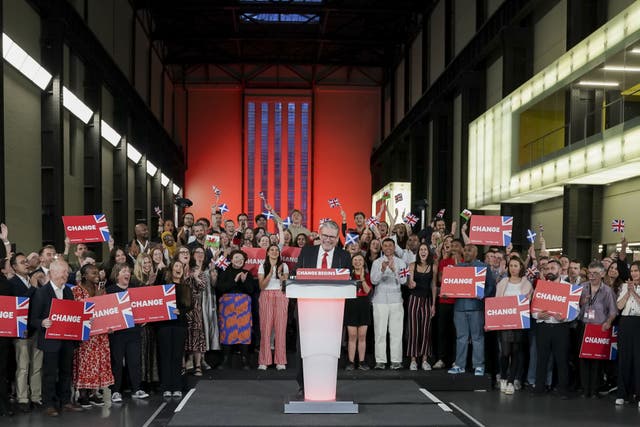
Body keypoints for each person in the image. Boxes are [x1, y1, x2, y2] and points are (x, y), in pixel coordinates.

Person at [294, 220, 351, 393]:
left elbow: (348, 282)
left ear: (336, 238)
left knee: (328, 346)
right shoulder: (307, 251)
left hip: (332, 312)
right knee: (305, 345)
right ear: (319, 234)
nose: (328, 240)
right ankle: (304, 384)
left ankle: (325, 383)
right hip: (307, 311)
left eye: (332, 237)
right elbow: (297, 274)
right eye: (325, 235)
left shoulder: (344, 256)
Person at [30, 259, 83, 416]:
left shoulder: (68, 292)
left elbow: (72, 314)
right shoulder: (41, 293)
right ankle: (48, 404)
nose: (66, 275)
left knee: (66, 372)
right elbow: (33, 320)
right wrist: (43, 322)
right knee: (50, 373)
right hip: (50, 341)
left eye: (67, 272)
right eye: (63, 272)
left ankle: (65, 401)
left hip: (67, 340)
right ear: (52, 273)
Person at [447, 244, 496, 376]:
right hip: (460, 308)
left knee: (477, 338)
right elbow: (451, 286)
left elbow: (491, 286)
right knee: (461, 337)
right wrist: (447, 290)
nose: (467, 252)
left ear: (476, 253)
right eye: (465, 250)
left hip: (476, 307)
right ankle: (459, 365)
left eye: (470, 250)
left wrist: (484, 294)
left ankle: (479, 365)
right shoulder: (457, 268)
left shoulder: (483, 267)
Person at [72, 264, 114, 408]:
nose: (97, 274)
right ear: (84, 275)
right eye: (93, 272)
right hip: (86, 335)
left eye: (98, 272)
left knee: (98, 364)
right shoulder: (76, 290)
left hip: (101, 334)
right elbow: (78, 310)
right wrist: (97, 298)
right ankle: (83, 395)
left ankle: (94, 393)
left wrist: (111, 325)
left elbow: (108, 310)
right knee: (85, 364)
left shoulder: (101, 289)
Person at [106, 264, 149, 403]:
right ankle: (116, 391)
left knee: (135, 361)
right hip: (117, 334)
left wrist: (144, 319)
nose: (127, 273)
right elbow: (106, 311)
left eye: (128, 271)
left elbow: (142, 308)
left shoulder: (135, 290)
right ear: (116, 275)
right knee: (117, 362)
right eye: (123, 271)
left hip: (134, 332)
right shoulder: (110, 291)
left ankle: (136, 389)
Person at [531, 259, 572, 399]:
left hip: (561, 328)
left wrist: (565, 317)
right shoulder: (540, 287)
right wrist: (538, 314)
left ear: (560, 270)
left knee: (561, 360)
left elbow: (575, 310)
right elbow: (533, 309)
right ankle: (539, 388)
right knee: (541, 359)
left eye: (552, 268)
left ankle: (563, 390)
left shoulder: (568, 287)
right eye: (547, 268)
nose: (549, 271)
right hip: (543, 327)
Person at [578, 261, 617, 399]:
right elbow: (572, 305)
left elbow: (613, 311)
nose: (591, 276)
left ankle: (594, 390)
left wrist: (608, 322)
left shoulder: (607, 291)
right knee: (583, 359)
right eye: (589, 273)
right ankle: (584, 389)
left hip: (599, 328)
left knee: (596, 361)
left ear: (602, 274)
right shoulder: (582, 287)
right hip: (583, 326)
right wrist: (582, 302)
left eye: (595, 273)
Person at [9, 253, 42, 412]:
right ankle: (22, 398)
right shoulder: (12, 283)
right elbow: (18, 303)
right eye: (22, 262)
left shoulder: (34, 280)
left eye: (26, 262)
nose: (26, 264)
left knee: (37, 366)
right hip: (21, 330)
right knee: (23, 366)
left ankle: (36, 397)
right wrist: (33, 288)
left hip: (37, 328)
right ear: (14, 267)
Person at [495, 256, 533, 394]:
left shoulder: (527, 284)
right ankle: (503, 377)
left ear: (521, 267)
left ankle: (511, 381)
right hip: (504, 323)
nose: (513, 268)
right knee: (505, 352)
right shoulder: (503, 282)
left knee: (516, 352)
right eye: (511, 265)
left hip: (519, 323)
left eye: (516, 265)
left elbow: (528, 302)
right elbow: (496, 301)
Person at [157, 260, 192, 398]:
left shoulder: (185, 287)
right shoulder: (163, 286)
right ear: (171, 270)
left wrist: (181, 311)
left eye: (181, 267)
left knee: (177, 356)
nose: (179, 268)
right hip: (164, 326)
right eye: (176, 266)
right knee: (165, 356)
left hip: (179, 325)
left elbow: (190, 305)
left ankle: (177, 386)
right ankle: (166, 386)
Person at [370, 238, 408, 370]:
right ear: (382, 248)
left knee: (396, 332)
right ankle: (380, 361)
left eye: (390, 245)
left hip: (396, 301)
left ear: (394, 247)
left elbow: (404, 281)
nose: (387, 248)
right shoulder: (376, 262)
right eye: (385, 246)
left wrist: (394, 270)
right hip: (380, 301)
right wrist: (381, 270)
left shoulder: (402, 263)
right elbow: (373, 281)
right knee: (380, 332)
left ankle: (396, 360)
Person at [217, 250, 256, 370]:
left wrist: (244, 282)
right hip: (227, 305)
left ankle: (245, 360)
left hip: (243, 305)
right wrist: (234, 281)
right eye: (236, 257)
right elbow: (220, 288)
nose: (239, 260)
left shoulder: (247, 273)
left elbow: (251, 290)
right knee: (227, 331)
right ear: (231, 259)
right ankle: (226, 360)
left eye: (241, 258)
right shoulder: (224, 272)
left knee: (244, 331)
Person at [406, 243, 438, 371]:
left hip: (427, 300)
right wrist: (410, 283)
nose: (423, 252)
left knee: (426, 330)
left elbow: (433, 286)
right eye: (421, 250)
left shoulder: (433, 267)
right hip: (414, 299)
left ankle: (424, 360)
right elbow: (409, 283)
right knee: (414, 330)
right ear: (418, 252)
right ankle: (413, 360)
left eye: (425, 249)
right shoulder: (412, 265)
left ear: (428, 252)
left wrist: (433, 304)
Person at [257, 245, 289, 370]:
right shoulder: (262, 265)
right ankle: (264, 361)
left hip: (280, 294)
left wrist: (280, 275)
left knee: (281, 328)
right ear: (268, 252)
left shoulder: (284, 265)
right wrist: (270, 273)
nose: (274, 252)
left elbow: (285, 284)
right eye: (272, 250)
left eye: (276, 250)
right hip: (266, 295)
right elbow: (262, 286)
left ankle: (280, 360)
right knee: (265, 328)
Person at [615, 261, 640, 406]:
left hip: (638, 323)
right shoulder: (625, 286)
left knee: (638, 360)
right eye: (633, 271)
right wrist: (628, 292)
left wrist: (634, 292)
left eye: (637, 271)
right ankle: (622, 394)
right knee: (624, 358)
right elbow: (619, 306)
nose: (634, 273)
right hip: (625, 323)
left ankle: (638, 394)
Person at [344, 254, 372, 371]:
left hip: (363, 305)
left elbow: (367, 290)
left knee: (362, 336)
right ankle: (351, 362)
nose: (357, 262)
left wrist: (362, 279)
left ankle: (361, 361)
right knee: (352, 336)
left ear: (363, 262)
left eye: (360, 260)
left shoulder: (367, 275)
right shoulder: (347, 276)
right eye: (355, 260)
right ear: (352, 262)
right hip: (351, 305)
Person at [184, 250, 208, 376]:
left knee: (196, 334)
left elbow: (203, 286)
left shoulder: (197, 270)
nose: (185, 254)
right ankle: (185, 363)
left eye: (186, 252)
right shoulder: (176, 268)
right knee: (183, 336)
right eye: (182, 253)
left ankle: (197, 365)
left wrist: (196, 277)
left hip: (195, 307)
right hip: (182, 307)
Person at [0, 260, 14, 416]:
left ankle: (3, 405)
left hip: (2, 335)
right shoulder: (5, 283)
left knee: (2, 371)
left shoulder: (5, 284)